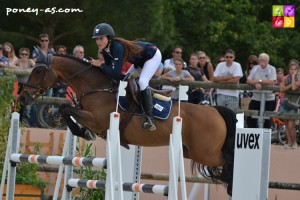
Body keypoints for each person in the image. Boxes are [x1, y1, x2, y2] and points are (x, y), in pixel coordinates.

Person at [89, 23, 162, 131]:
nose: (98, 42)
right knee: (124, 80)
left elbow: (116, 73)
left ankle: (149, 118)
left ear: (109, 38)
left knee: (142, 82)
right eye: (96, 39)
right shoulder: (106, 51)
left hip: (152, 55)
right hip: (139, 61)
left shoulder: (117, 47)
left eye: (101, 38)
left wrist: (100, 64)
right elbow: (111, 73)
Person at [246, 53, 277, 128]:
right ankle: (253, 135)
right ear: (259, 61)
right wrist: (255, 83)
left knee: (267, 121)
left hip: (269, 99)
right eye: (261, 60)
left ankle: (265, 138)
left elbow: (271, 82)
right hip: (256, 97)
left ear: (268, 61)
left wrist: (258, 81)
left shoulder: (272, 69)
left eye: (264, 61)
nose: (262, 62)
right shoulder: (255, 68)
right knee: (250, 118)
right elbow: (248, 81)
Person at [279, 62, 300, 148]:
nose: (293, 71)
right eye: (291, 69)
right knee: (286, 124)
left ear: (297, 70)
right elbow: (281, 89)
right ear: (289, 70)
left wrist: (293, 78)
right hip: (285, 103)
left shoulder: (299, 78)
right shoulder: (285, 78)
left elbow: (295, 88)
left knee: (291, 125)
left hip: (295, 104)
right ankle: (289, 142)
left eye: (295, 69)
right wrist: (291, 84)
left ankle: (294, 142)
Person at [13, 48, 35, 125]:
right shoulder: (17, 61)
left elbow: (36, 67)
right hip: (17, 84)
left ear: (28, 55)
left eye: (26, 54)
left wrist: (26, 70)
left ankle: (21, 120)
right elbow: (11, 65)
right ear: (20, 55)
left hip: (26, 85)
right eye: (22, 54)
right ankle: (13, 120)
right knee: (15, 101)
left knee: (23, 103)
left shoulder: (30, 61)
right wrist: (18, 68)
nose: (24, 56)